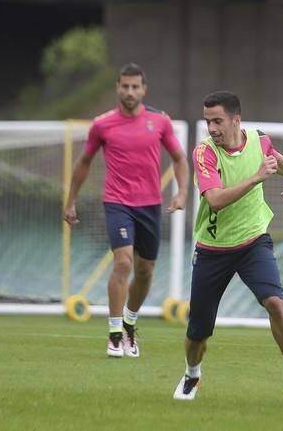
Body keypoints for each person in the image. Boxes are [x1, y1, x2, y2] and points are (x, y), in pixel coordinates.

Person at [173, 91, 283, 400]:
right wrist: (256, 178)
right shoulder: (204, 152)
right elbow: (214, 201)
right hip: (213, 250)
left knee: (276, 304)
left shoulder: (257, 139)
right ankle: (191, 375)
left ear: (235, 120)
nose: (212, 128)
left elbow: (274, 157)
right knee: (198, 332)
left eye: (217, 121)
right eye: (207, 121)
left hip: (254, 241)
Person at [63, 63, 189, 358]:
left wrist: (182, 192)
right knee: (123, 263)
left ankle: (131, 324)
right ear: (117, 88)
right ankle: (115, 333)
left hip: (150, 205)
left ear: (144, 90)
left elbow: (180, 159)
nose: (130, 92)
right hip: (117, 203)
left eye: (135, 87)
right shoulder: (102, 124)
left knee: (145, 272)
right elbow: (84, 163)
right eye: (125, 86)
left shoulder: (160, 122)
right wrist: (70, 200)